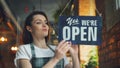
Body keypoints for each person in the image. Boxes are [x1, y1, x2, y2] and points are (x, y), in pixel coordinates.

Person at [14, 11, 80, 68]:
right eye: (38, 22)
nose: (44, 25)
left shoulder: (57, 49)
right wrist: (55, 59)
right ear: (29, 28)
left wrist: (74, 54)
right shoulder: (24, 49)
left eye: (45, 22)